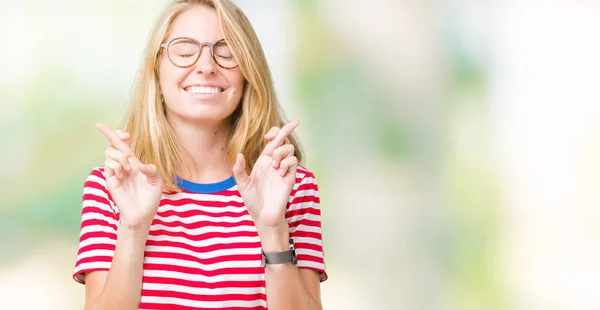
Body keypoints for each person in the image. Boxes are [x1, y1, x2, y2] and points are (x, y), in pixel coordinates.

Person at [71, 0, 327, 309]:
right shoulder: (111, 187)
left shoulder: (292, 186)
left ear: (248, 72)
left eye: (227, 52)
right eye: (184, 52)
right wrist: (134, 227)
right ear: (156, 70)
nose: (206, 66)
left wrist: (273, 229)